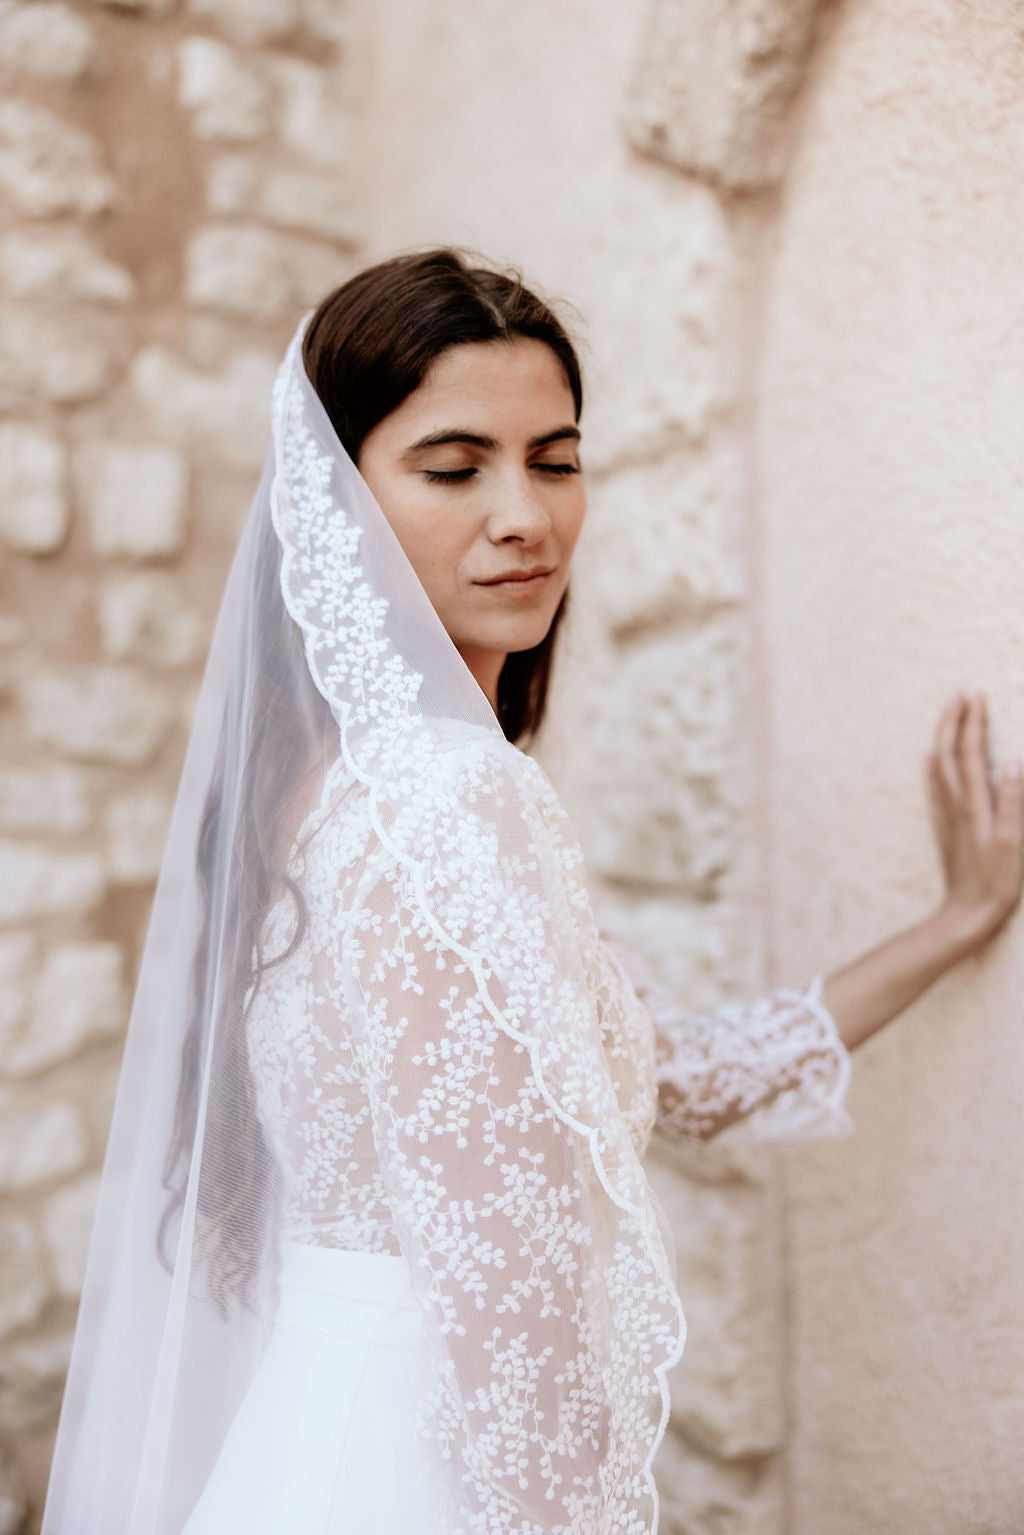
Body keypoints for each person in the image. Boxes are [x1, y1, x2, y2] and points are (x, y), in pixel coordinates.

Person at [41, 249, 1023, 1535]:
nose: (525, 515)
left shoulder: (340, 789)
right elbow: (511, 1303)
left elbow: (683, 1074)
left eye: (554, 459)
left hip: (327, 1440)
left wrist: (954, 921)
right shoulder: (448, 802)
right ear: (334, 504)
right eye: (455, 469)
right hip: (430, 1471)